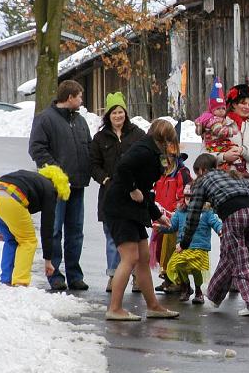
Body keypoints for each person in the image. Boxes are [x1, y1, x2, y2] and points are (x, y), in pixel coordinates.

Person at [103, 119, 181, 321]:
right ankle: (114, 308)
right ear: (163, 139)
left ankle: (153, 306)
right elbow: (123, 168)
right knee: (130, 257)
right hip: (120, 208)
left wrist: (157, 215)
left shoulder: (153, 152)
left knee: (143, 257)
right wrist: (131, 189)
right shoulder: (144, 150)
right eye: (170, 141)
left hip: (133, 210)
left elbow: (145, 190)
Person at [180, 153, 249, 316]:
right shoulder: (233, 175)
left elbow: (193, 213)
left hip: (233, 216)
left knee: (240, 262)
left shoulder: (202, 181)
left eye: (197, 172)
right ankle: (213, 295)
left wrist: (185, 242)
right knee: (229, 256)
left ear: (202, 170)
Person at [28, 79, 92, 291]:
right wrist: (57, 172)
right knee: (54, 230)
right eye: (80, 96)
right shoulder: (45, 119)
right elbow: (37, 149)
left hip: (77, 185)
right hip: (55, 187)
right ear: (70, 97)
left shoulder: (80, 121)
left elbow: (89, 148)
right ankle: (54, 274)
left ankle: (74, 274)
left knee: (76, 231)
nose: (82, 100)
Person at [90, 92, 145, 292]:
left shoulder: (138, 134)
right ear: (108, 115)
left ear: (125, 113)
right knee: (112, 237)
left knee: (136, 236)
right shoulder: (99, 138)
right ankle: (113, 276)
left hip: (133, 194)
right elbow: (93, 164)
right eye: (114, 113)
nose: (118, 116)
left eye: (121, 112)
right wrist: (105, 179)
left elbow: (146, 158)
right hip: (109, 195)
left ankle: (137, 277)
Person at [0, 166, 70, 286]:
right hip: (10, 199)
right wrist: (48, 260)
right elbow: (47, 227)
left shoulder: (30, 178)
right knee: (28, 240)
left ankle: (6, 279)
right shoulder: (50, 189)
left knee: (11, 240)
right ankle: (20, 282)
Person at [219, 83, 249, 287]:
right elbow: (206, 153)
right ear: (234, 104)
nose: (246, 107)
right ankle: (230, 274)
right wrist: (223, 155)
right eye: (242, 103)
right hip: (227, 184)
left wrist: (244, 150)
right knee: (230, 230)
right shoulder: (220, 125)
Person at [155, 183, 222, 304]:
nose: (189, 201)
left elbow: (215, 223)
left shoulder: (206, 212)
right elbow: (172, 227)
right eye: (186, 198)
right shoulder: (180, 213)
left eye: (192, 198)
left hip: (200, 247)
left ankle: (198, 291)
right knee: (177, 265)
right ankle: (185, 287)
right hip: (182, 247)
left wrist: (220, 230)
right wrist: (161, 227)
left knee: (196, 268)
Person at [151, 152, 192, 292]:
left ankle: (179, 282)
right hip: (160, 217)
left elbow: (186, 194)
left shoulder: (181, 173)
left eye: (168, 157)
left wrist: (177, 211)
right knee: (160, 251)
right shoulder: (159, 174)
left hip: (175, 219)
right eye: (162, 157)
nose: (165, 160)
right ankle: (168, 278)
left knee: (174, 251)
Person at [195, 76, 248, 176]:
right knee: (232, 150)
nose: (221, 111)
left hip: (221, 144)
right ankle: (238, 170)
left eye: (223, 108)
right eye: (218, 108)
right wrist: (232, 131)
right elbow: (219, 131)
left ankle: (239, 169)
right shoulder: (212, 120)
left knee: (234, 149)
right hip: (215, 145)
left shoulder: (223, 120)